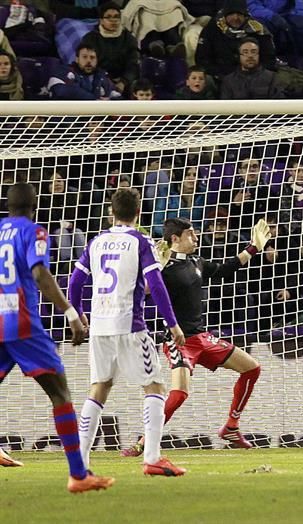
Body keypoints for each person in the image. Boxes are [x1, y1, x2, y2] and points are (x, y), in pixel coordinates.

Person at [119, 216, 270, 456]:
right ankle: (143, 441)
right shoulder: (162, 267)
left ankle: (231, 427)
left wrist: (253, 248)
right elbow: (143, 292)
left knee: (252, 368)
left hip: (201, 337)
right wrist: (156, 266)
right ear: (175, 238)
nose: (196, 237)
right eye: (191, 233)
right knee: (179, 394)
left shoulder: (197, 262)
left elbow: (223, 269)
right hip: (178, 340)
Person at [0, 183, 114, 493]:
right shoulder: (34, 231)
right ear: (34, 206)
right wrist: (71, 312)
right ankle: (79, 474)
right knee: (60, 394)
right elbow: (40, 275)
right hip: (22, 324)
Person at [70, 188, 187, 477]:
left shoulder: (96, 242)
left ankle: (81, 463)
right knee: (155, 386)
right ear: (138, 213)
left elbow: (74, 283)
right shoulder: (139, 241)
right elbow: (156, 286)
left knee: (99, 387)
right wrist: (172, 323)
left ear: (112, 212)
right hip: (129, 326)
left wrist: (78, 312)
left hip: (99, 326)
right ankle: (152, 457)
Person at [195, 0, 277, 81]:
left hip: (253, 78)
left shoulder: (257, 30)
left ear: (245, 15)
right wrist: (223, 76)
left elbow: (269, 60)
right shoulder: (212, 28)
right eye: (231, 14)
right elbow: (202, 59)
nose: (235, 17)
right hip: (221, 77)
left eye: (239, 14)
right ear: (225, 15)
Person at [78, 3, 140, 96]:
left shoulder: (129, 38)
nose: (113, 20)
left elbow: (133, 64)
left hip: (124, 82)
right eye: (108, 17)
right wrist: (106, 81)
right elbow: (87, 63)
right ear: (101, 20)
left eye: (116, 17)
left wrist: (123, 82)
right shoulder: (90, 39)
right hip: (99, 80)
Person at [48, 44, 122, 100]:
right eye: (84, 57)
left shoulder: (102, 76)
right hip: (70, 118)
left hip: (98, 118)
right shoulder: (64, 71)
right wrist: (95, 101)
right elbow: (60, 91)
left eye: (92, 57)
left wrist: (110, 101)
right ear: (77, 59)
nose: (89, 61)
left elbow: (119, 97)